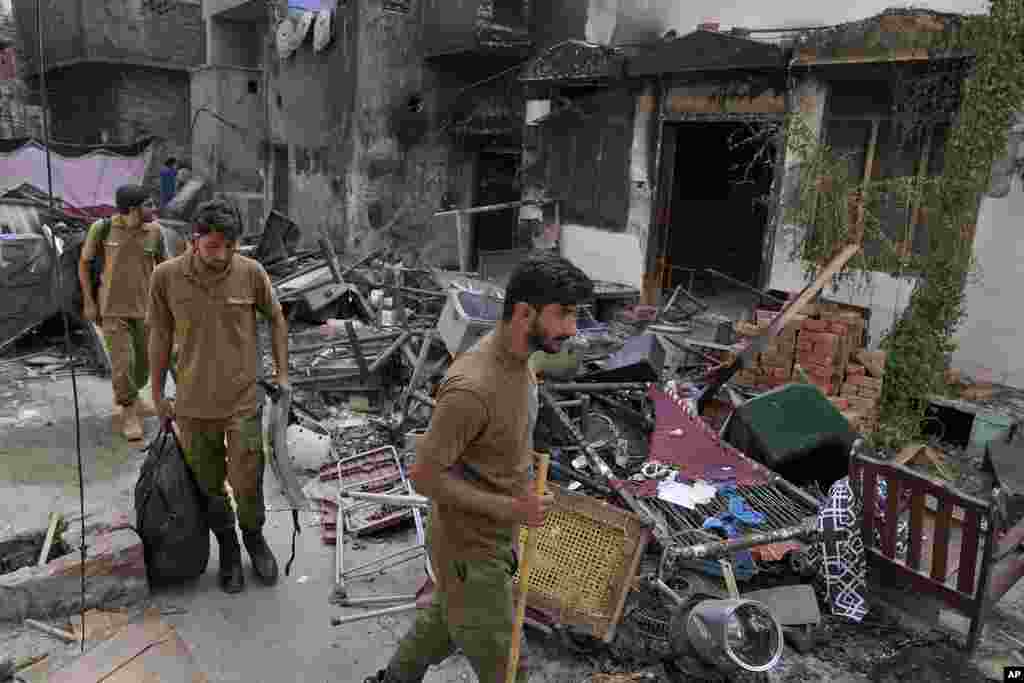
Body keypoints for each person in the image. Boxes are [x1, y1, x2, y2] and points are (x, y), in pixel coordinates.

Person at [366, 252, 594, 683]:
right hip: (469, 549)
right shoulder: (471, 388)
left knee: (445, 621)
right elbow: (424, 477)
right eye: (564, 315)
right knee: (508, 669)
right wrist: (514, 510)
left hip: (490, 541)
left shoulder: (522, 357)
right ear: (525, 313)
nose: (572, 329)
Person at [147, 198, 291, 594]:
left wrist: (283, 373)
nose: (224, 255)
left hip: (243, 399)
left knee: (248, 480)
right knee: (209, 484)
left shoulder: (251, 273)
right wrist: (158, 393)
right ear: (194, 241)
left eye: (231, 246)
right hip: (193, 405)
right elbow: (158, 335)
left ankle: (254, 538)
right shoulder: (166, 277)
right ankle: (227, 547)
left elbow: (276, 318)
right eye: (214, 246)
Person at [77, 184, 166, 441]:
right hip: (112, 309)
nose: (154, 209)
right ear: (133, 209)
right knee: (122, 362)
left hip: (146, 310)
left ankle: (134, 396)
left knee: (143, 365)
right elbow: (84, 264)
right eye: (149, 204)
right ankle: (128, 411)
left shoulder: (156, 231)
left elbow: (165, 268)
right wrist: (89, 301)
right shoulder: (102, 229)